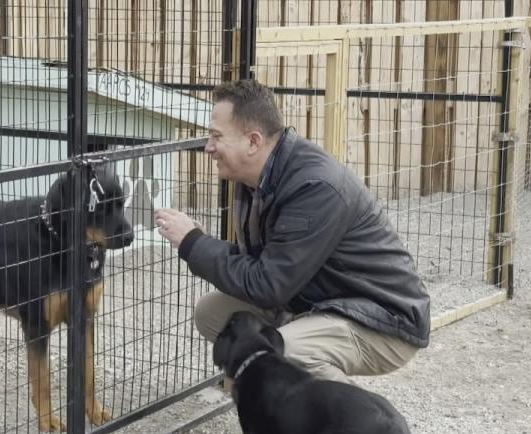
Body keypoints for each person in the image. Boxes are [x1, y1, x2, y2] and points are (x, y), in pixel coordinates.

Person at [154, 79, 431, 385]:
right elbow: (266, 265)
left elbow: (268, 285)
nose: (209, 147)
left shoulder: (314, 187)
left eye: (216, 136)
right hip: (316, 301)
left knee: (288, 350)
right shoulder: (256, 178)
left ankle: (348, 427)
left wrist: (193, 244)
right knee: (213, 312)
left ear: (253, 141)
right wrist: (202, 243)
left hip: (381, 318)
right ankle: (273, 411)